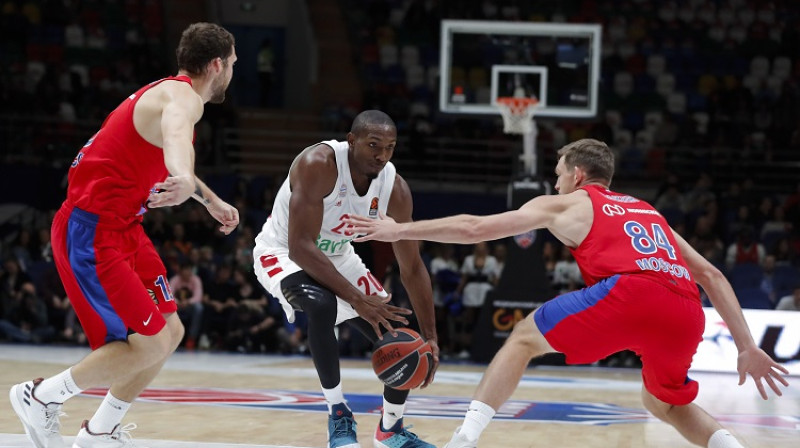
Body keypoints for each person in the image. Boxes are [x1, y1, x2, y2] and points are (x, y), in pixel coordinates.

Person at [347, 138, 789, 448]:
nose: (554, 183)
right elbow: (711, 275)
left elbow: (474, 228)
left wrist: (397, 228)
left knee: (521, 339)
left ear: (577, 175)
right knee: (664, 402)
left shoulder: (569, 203)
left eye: (558, 174)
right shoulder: (648, 211)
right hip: (685, 310)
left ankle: (464, 440)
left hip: (631, 294)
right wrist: (746, 346)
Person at [9, 22, 239, 448]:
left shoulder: (171, 93)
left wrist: (208, 199)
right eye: (233, 64)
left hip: (124, 228)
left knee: (170, 333)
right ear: (216, 64)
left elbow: (170, 153)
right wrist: (185, 177)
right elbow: (176, 141)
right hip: (92, 232)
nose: (233, 72)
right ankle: (40, 396)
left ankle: (100, 430)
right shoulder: (182, 98)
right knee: (148, 344)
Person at [252, 110, 439, 448]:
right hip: (282, 252)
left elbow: (411, 267)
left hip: (339, 256)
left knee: (401, 336)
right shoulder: (318, 164)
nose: (382, 156)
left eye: (390, 148)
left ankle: (390, 430)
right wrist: (356, 299)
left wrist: (430, 337)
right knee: (321, 305)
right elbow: (300, 246)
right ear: (351, 141)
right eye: (373, 145)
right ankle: (338, 413)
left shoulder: (394, 188)